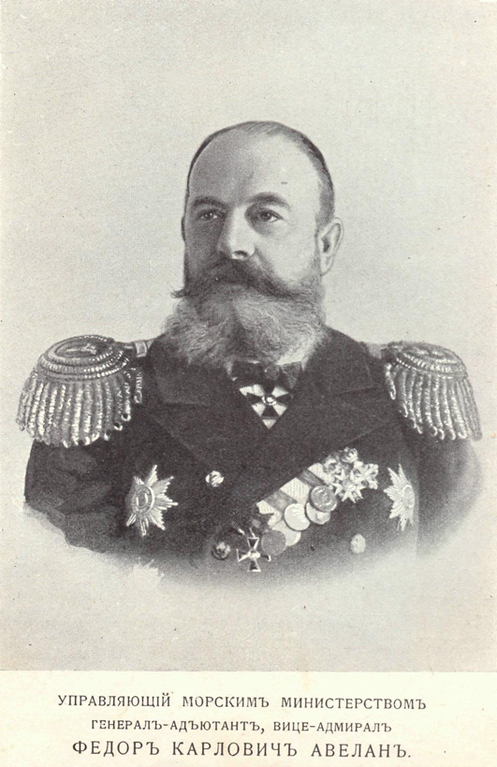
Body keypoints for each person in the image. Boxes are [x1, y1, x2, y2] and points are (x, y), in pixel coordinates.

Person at [18, 121, 481, 576]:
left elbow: (447, 579)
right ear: (184, 232)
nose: (230, 244)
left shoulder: (409, 398)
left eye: (266, 215)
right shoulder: (104, 402)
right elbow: (70, 593)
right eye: (209, 215)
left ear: (325, 245)